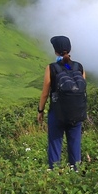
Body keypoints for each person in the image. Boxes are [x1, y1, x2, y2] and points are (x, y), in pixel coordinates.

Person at [37, 35, 86, 169]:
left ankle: (54, 176)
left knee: (55, 144)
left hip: (57, 113)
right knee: (75, 144)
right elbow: (82, 91)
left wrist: (40, 111)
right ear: (69, 49)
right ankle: (75, 174)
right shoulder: (79, 67)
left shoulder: (51, 67)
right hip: (77, 112)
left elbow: (45, 93)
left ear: (55, 51)